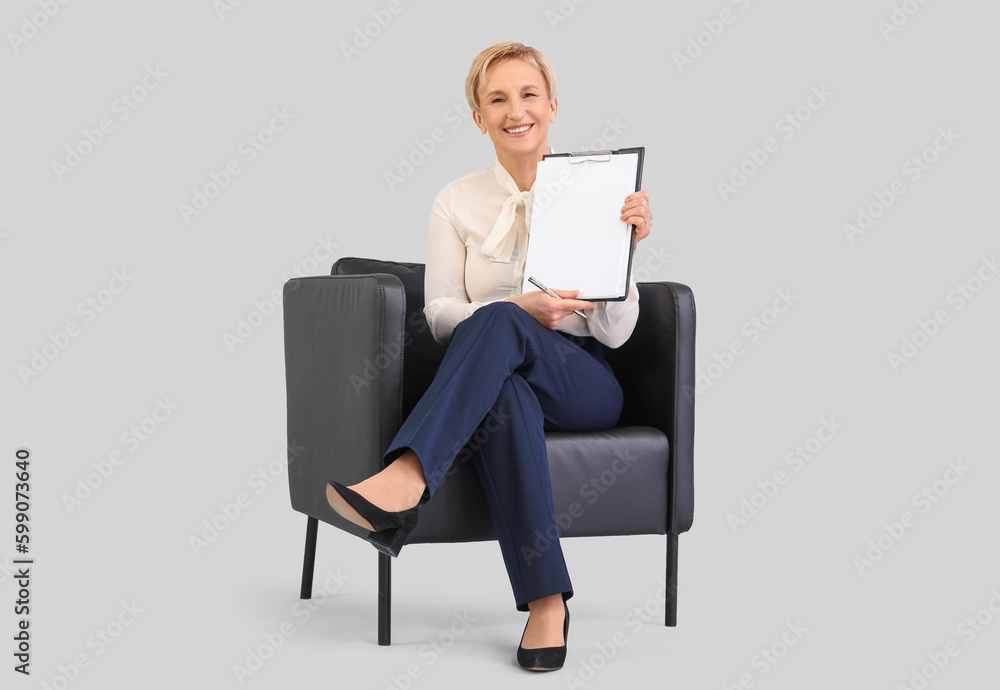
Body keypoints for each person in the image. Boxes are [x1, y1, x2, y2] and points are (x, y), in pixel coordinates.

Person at [326, 41, 653, 672]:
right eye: (496, 99)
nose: (515, 110)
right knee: (501, 386)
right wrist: (514, 313)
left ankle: (408, 477)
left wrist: (625, 252)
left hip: (581, 379)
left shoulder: (602, 189)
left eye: (528, 95)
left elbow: (615, 334)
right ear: (479, 118)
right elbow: (442, 312)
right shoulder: (456, 200)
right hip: (496, 374)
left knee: (505, 319)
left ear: (552, 106)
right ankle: (546, 602)